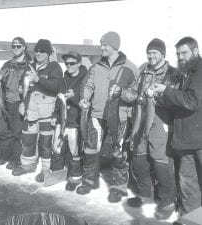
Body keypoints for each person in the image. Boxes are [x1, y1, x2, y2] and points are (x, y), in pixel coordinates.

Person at [121, 38, 178, 220]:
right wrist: (122, 93)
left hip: (161, 122)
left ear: (163, 54)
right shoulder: (144, 71)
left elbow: (174, 98)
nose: (151, 55)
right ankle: (145, 194)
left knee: (161, 162)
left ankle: (167, 201)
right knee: (138, 159)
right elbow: (132, 91)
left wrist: (155, 97)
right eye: (149, 52)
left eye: (155, 52)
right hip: (141, 118)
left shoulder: (172, 74)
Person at [78, 31, 139, 199]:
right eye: (101, 44)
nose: (101, 47)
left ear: (114, 46)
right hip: (97, 115)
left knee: (118, 152)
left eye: (104, 44)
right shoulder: (96, 66)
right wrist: (85, 98)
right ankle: (90, 181)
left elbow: (135, 95)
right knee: (90, 149)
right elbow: (88, 84)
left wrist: (121, 93)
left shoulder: (130, 67)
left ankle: (118, 187)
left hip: (120, 117)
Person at [152, 37, 202, 215]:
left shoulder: (199, 72)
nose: (180, 57)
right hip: (186, 139)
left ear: (195, 51)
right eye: (178, 54)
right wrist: (161, 97)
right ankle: (191, 218)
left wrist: (166, 90)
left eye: (184, 53)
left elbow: (192, 102)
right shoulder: (186, 72)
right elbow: (180, 101)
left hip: (198, 138)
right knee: (188, 184)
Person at [12, 39, 63, 182]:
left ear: (48, 53)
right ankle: (28, 165)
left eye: (42, 51)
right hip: (31, 110)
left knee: (45, 143)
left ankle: (46, 170)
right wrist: (22, 89)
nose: (39, 53)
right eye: (37, 50)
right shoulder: (30, 66)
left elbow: (55, 86)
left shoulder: (54, 67)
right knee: (28, 139)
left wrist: (38, 80)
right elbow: (22, 83)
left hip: (47, 112)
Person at [50, 51, 87, 191]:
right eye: (66, 63)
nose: (69, 66)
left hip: (75, 122)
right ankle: (57, 172)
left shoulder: (84, 80)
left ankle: (75, 176)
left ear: (79, 63)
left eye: (72, 63)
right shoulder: (62, 80)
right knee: (57, 147)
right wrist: (54, 115)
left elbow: (85, 103)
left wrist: (74, 97)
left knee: (74, 150)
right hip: (61, 120)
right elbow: (58, 101)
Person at [0, 37, 31, 170]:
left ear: (24, 47)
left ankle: (16, 159)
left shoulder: (29, 65)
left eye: (18, 46)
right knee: (4, 131)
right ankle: (4, 155)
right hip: (5, 101)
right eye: (13, 46)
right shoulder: (7, 64)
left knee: (17, 133)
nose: (15, 48)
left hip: (18, 102)